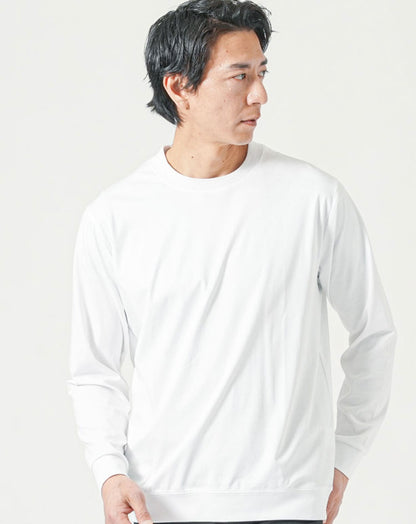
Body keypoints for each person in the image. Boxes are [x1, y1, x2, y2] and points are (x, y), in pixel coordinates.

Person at [66, 1, 397, 524]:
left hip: (287, 499)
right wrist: (109, 469)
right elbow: (95, 368)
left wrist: (344, 456)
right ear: (180, 87)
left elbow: (374, 334)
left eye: (262, 73)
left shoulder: (314, 198)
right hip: (159, 501)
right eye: (240, 75)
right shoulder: (115, 215)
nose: (260, 94)